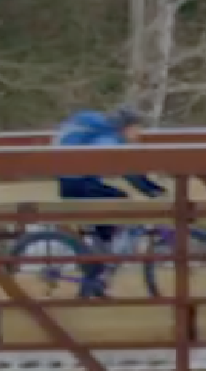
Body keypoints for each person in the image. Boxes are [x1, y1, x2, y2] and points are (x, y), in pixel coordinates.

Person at [53, 106, 166, 300]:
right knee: (125, 207)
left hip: (73, 184)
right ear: (125, 128)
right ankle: (103, 273)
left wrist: (150, 188)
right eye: (136, 128)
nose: (139, 133)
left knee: (107, 225)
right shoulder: (109, 140)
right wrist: (153, 191)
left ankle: (95, 279)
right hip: (81, 185)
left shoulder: (105, 135)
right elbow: (129, 172)